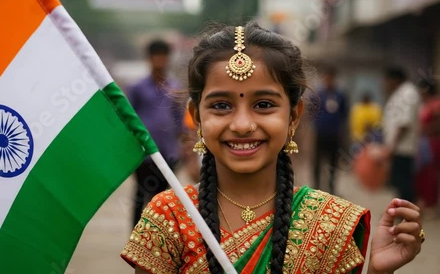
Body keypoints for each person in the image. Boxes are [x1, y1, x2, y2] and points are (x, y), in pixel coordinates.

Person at [121, 23, 424, 274]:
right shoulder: (168, 217)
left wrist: (378, 272)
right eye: (221, 105)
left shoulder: (331, 224)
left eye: (263, 105)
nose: (242, 124)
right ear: (197, 116)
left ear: (293, 116)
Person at [127, 39, 183, 228]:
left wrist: (184, 146)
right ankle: (136, 237)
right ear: (149, 59)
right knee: (140, 196)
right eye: (155, 56)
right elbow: (129, 118)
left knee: (162, 199)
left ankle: (157, 239)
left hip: (168, 152)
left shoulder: (175, 87)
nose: (159, 60)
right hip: (144, 154)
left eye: (163, 56)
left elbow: (179, 118)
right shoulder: (138, 88)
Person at [382, 66, 421, 203]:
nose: (385, 84)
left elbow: (404, 123)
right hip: (398, 147)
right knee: (399, 182)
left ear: (394, 79)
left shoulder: (408, 93)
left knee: (404, 182)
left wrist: (393, 146)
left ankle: (407, 213)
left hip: (403, 147)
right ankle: (401, 210)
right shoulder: (400, 93)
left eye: (387, 81)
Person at [312, 65, 348, 195]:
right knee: (317, 161)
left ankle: (332, 188)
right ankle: (316, 187)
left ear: (334, 78)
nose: (329, 79)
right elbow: (311, 112)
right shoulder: (318, 95)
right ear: (323, 78)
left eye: (331, 77)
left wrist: (342, 133)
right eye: (326, 77)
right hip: (320, 133)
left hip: (334, 134)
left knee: (333, 162)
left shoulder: (340, 95)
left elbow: (344, 115)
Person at [415, 77, 440, 217]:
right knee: (423, 173)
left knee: (431, 173)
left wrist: (427, 130)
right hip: (424, 142)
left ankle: (432, 205)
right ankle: (424, 202)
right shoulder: (425, 104)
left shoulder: (436, 104)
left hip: (433, 142)